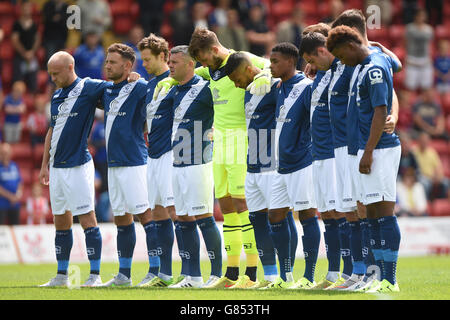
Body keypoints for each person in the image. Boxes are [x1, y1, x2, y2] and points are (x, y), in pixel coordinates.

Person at [186, 27, 271, 288]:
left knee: (242, 204)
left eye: (203, 59)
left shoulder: (242, 58)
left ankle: (253, 272)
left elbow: (270, 66)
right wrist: (167, 78)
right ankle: (232, 272)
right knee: (225, 206)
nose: (202, 65)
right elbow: (187, 72)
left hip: (241, 139)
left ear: (214, 49)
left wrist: (264, 76)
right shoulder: (208, 69)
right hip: (219, 140)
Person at [328, 8, 403, 292]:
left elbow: (380, 110)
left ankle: (390, 280)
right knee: (371, 217)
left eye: (342, 55)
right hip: (364, 147)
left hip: (379, 149)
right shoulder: (363, 63)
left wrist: (369, 152)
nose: (342, 62)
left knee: (383, 214)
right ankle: (378, 277)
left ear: (350, 46)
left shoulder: (372, 68)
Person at [39, 51, 106, 287]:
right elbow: (51, 130)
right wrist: (44, 164)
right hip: (57, 168)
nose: (52, 78)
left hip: (78, 165)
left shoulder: (89, 87)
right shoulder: (56, 96)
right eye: (50, 74)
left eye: (56, 73)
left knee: (87, 218)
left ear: (70, 67)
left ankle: (95, 276)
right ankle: (61, 276)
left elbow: (115, 89)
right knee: (61, 221)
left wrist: (131, 79)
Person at [162, 45, 222, 288]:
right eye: (169, 61)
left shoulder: (205, 89)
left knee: (204, 217)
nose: (170, 66)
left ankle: (217, 274)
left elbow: (225, 109)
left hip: (199, 163)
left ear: (190, 64)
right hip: (177, 162)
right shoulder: (174, 90)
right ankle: (193, 277)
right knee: (182, 218)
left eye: (175, 62)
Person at [261, 42, 320, 289]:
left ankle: (309, 276)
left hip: (302, 163)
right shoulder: (278, 87)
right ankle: (286, 276)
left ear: (289, 62)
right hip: (280, 166)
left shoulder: (306, 87)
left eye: (275, 62)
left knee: (307, 216)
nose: (271, 65)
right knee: (275, 216)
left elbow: (315, 123)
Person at [300, 30, 353, 290]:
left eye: (311, 58)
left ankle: (350, 272)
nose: (309, 65)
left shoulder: (342, 69)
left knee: (341, 212)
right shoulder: (319, 73)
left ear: (322, 51)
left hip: (334, 152)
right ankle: (333, 273)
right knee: (328, 215)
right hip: (318, 154)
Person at [223, 52, 279, 288]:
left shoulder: (273, 85)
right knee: (257, 218)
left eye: (236, 79)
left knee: (278, 219)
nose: (236, 85)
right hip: (253, 162)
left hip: (273, 162)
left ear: (248, 69)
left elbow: (275, 62)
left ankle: (283, 276)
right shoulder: (248, 91)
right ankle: (267, 276)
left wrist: (267, 72)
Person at [100, 44, 151, 288]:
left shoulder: (140, 87)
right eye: (107, 61)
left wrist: (139, 77)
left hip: (134, 162)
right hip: (114, 165)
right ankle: (124, 275)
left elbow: (157, 96)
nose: (107, 65)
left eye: (112, 62)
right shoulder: (107, 90)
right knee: (122, 218)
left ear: (128, 66)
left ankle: (156, 271)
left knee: (147, 216)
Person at [136, 34, 180, 287]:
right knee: (158, 212)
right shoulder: (150, 86)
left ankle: (189, 271)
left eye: (147, 59)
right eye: (142, 59)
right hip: (153, 154)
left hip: (170, 154)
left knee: (176, 212)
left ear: (164, 56)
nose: (143, 64)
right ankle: (163, 273)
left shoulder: (175, 83)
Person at [11, 1, 40, 94]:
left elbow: (37, 39)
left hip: (31, 56)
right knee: (17, 80)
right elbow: (15, 41)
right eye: (25, 7)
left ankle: (33, 97)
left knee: (34, 80)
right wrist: (24, 53)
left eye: (28, 7)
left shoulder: (34, 24)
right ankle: (17, 100)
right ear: (21, 9)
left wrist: (32, 52)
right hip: (20, 56)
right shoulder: (17, 24)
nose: (27, 10)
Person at [404, 9, 434, 91]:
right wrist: (406, 57)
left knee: (426, 86)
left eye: (423, 16)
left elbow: (430, 44)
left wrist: (430, 57)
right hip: (412, 59)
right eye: (419, 16)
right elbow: (404, 43)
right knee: (410, 87)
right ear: (415, 17)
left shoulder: (429, 29)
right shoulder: (409, 28)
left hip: (425, 59)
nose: (421, 18)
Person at [413, 132, 449, 200]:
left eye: (426, 141)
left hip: (432, 177)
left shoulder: (432, 152)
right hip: (420, 176)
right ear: (419, 141)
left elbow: (438, 168)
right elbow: (414, 169)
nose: (424, 142)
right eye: (422, 141)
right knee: (425, 183)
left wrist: (438, 177)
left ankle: (440, 201)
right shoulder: (414, 152)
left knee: (446, 182)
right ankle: (425, 201)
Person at [0, 143, 22, 225]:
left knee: (16, 227)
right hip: (2, 204)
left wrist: (18, 195)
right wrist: (10, 197)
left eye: (7, 153)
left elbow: (20, 182)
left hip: (15, 204)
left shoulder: (14, 165)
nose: (5, 155)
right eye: (3, 153)